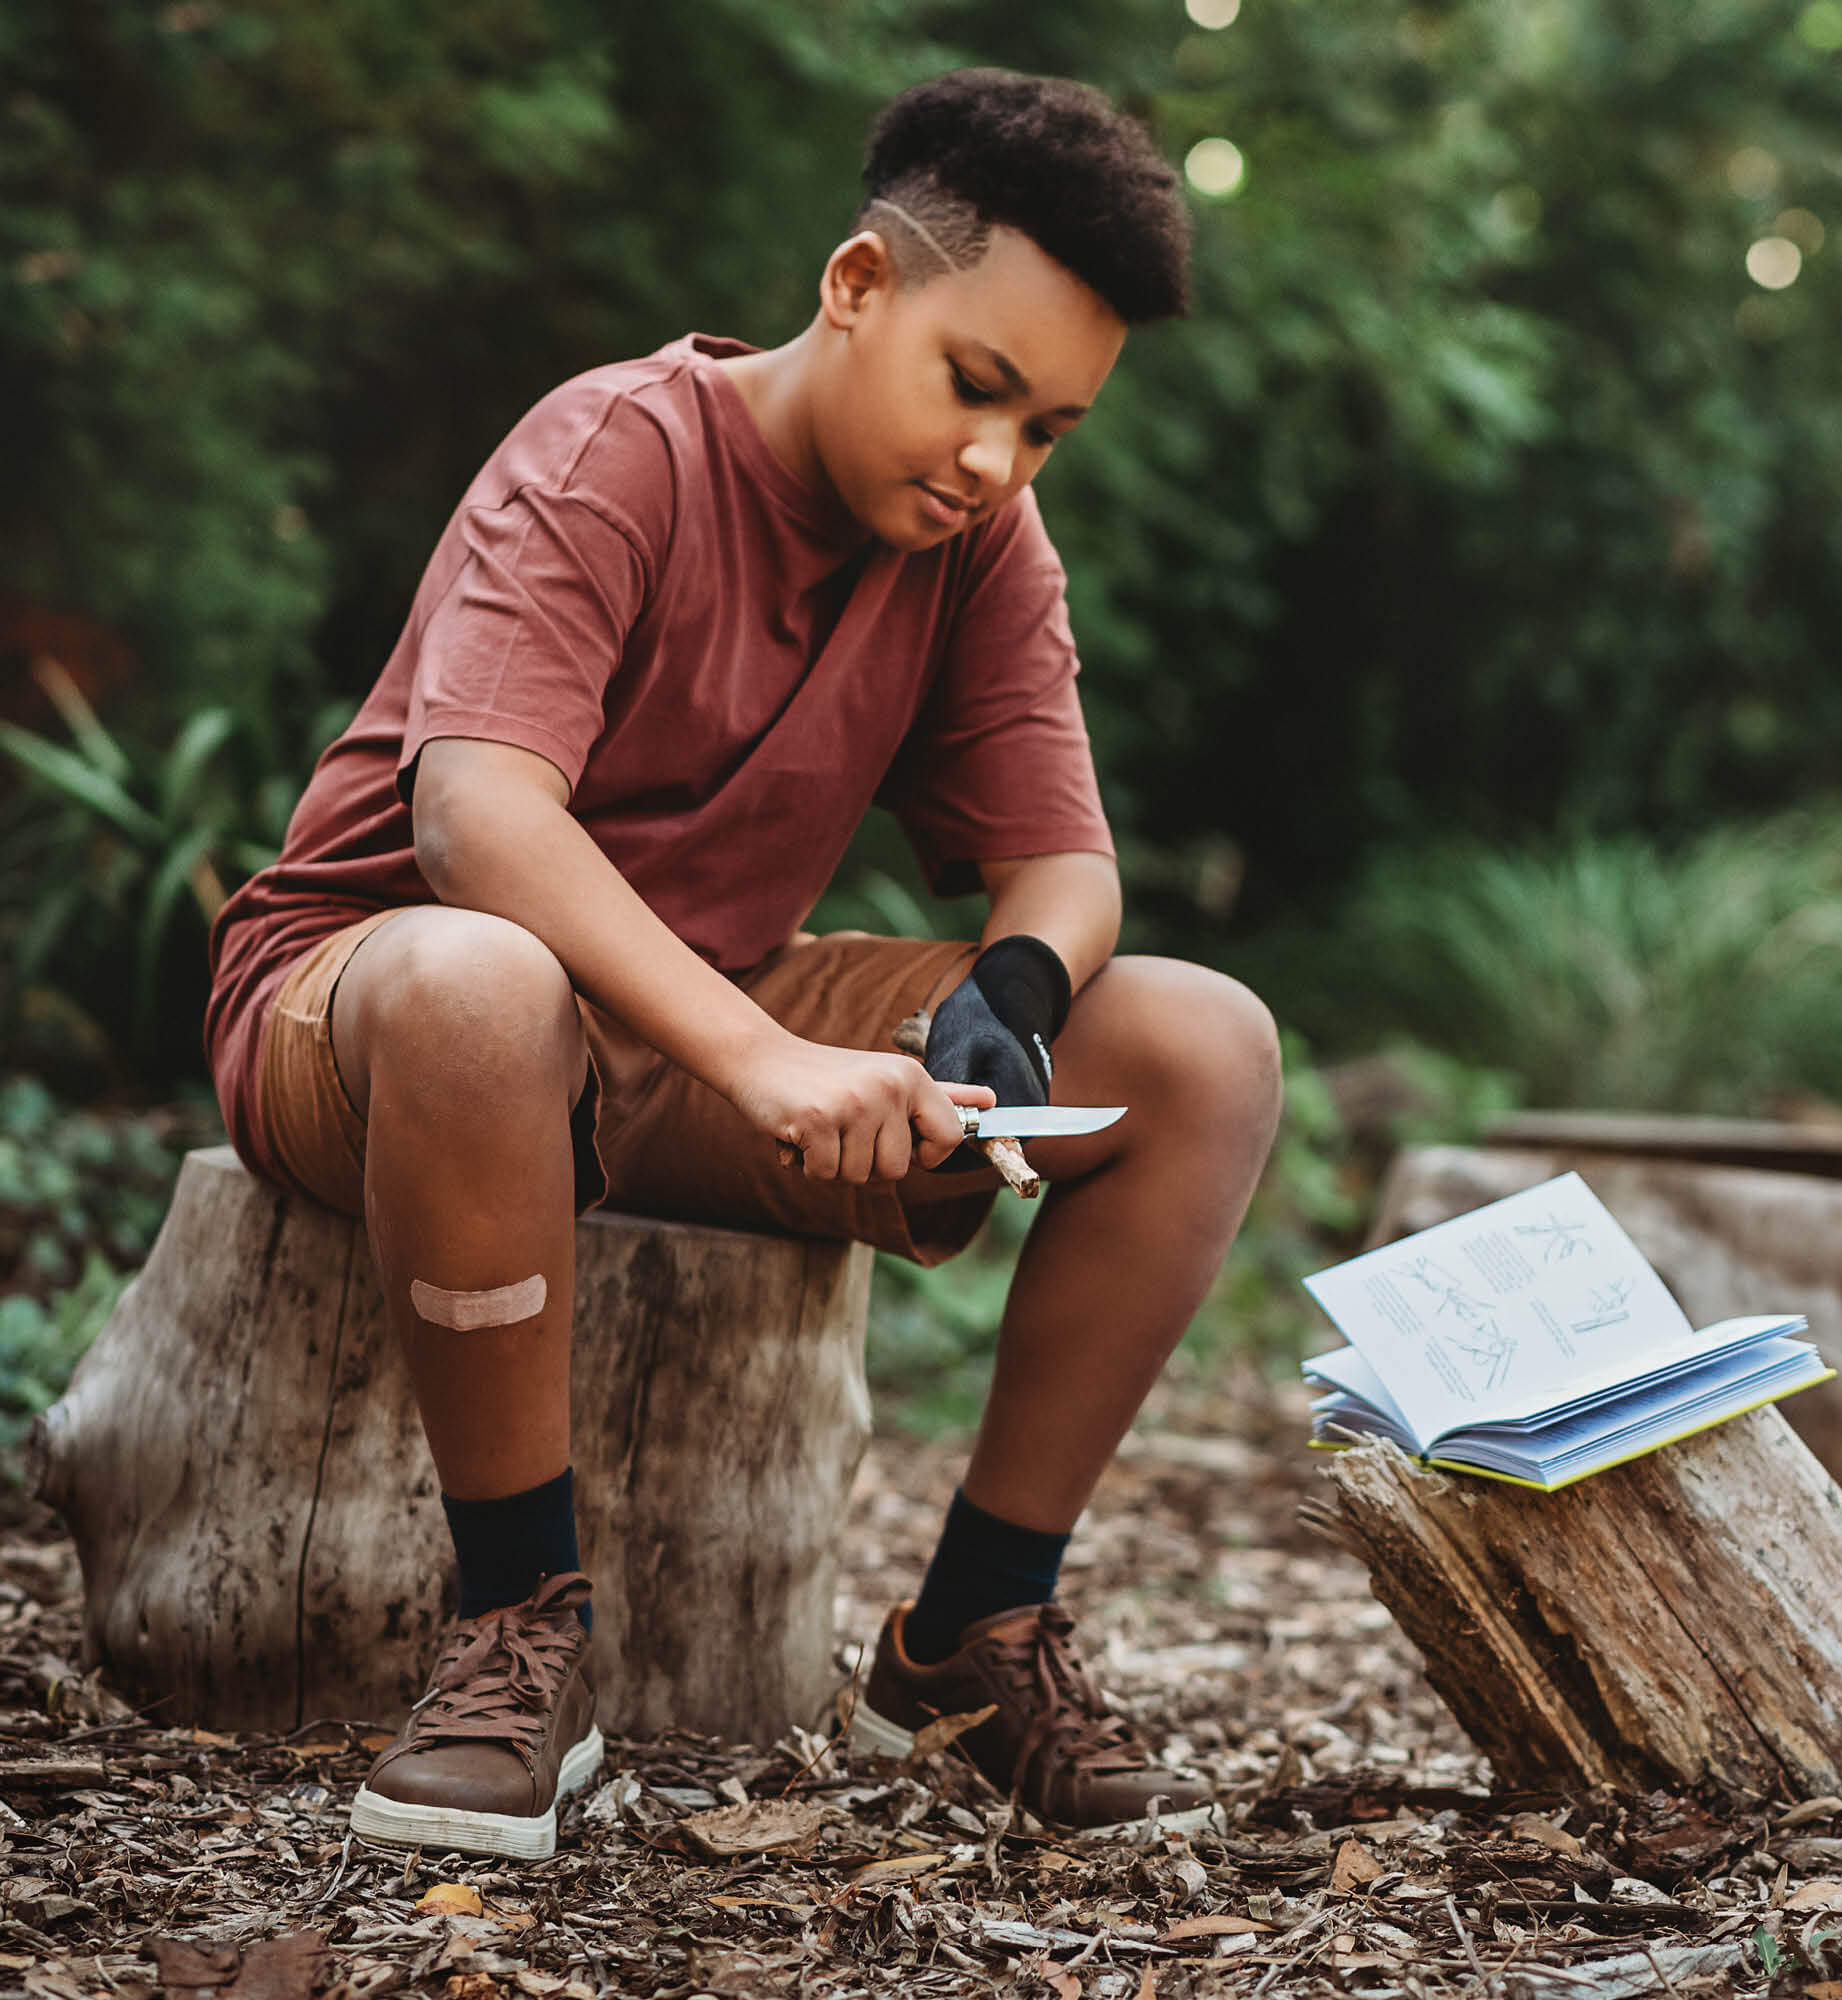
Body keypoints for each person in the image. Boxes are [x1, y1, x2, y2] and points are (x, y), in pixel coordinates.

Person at [204, 66, 1282, 1860]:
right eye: (976, 388)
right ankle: (516, 1629)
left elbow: (1064, 862)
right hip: (380, 1003)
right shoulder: (615, 448)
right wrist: (765, 1066)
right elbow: (481, 822)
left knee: (1203, 1045)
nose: (997, 462)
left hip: (694, 1006)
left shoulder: (981, 541)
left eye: (1051, 430)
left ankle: (970, 1639)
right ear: (858, 288)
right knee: (489, 982)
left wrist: (1006, 1000)